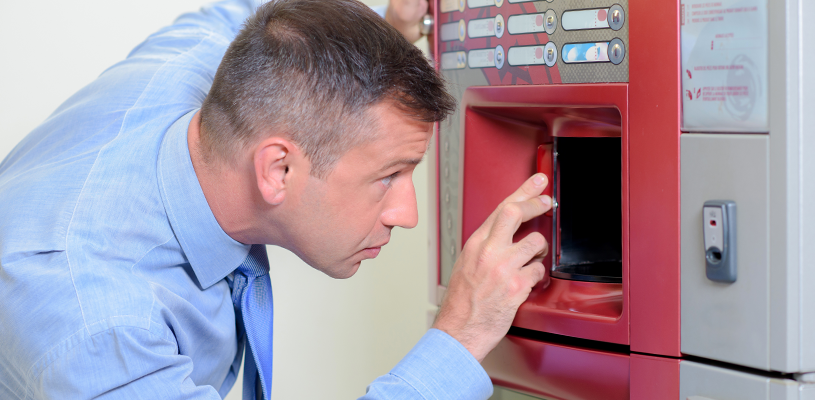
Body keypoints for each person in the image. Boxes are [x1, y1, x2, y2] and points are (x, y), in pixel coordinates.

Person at [0, 0, 552, 399]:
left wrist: (388, 26)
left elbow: (278, 22)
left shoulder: (217, 63)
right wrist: (460, 336)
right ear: (278, 169)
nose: (407, 215)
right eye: (390, 176)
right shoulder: (99, 327)